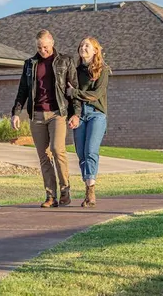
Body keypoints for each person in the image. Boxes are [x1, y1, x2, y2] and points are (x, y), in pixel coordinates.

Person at [11, 30, 81, 208]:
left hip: (57, 113)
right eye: (39, 47)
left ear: (52, 43)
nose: (43, 50)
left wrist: (76, 113)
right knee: (43, 156)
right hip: (37, 115)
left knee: (58, 150)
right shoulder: (30, 64)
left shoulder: (65, 61)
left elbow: (73, 89)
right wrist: (16, 113)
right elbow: (23, 91)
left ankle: (65, 190)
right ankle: (51, 196)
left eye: (45, 47)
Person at [67, 37, 110, 208]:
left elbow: (96, 95)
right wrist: (74, 114)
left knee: (91, 150)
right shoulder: (76, 71)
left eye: (87, 45)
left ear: (95, 51)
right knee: (81, 153)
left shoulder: (103, 70)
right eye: (81, 45)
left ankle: (91, 189)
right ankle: (88, 187)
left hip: (96, 114)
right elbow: (71, 97)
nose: (83, 47)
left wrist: (74, 92)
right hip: (80, 114)